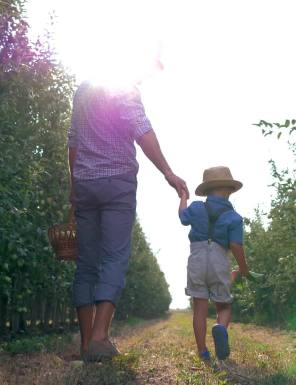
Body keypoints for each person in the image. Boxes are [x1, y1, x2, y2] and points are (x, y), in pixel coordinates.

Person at [68, 81, 188, 362]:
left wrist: (73, 187)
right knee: (114, 258)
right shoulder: (123, 86)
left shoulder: (82, 91)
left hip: (84, 182)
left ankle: (87, 345)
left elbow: (73, 141)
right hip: (117, 181)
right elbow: (141, 129)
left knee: (85, 264)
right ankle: (99, 337)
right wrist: (167, 171)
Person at [178, 166, 250, 361]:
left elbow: (182, 217)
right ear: (228, 190)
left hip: (197, 257)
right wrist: (243, 269)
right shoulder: (234, 217)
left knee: (200, 308)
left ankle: (203, 351)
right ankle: (220, 327)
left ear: (207, 190)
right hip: (219, 258)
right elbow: (235, 245)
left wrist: (183, 197)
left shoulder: (196, 207)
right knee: (224, 306)